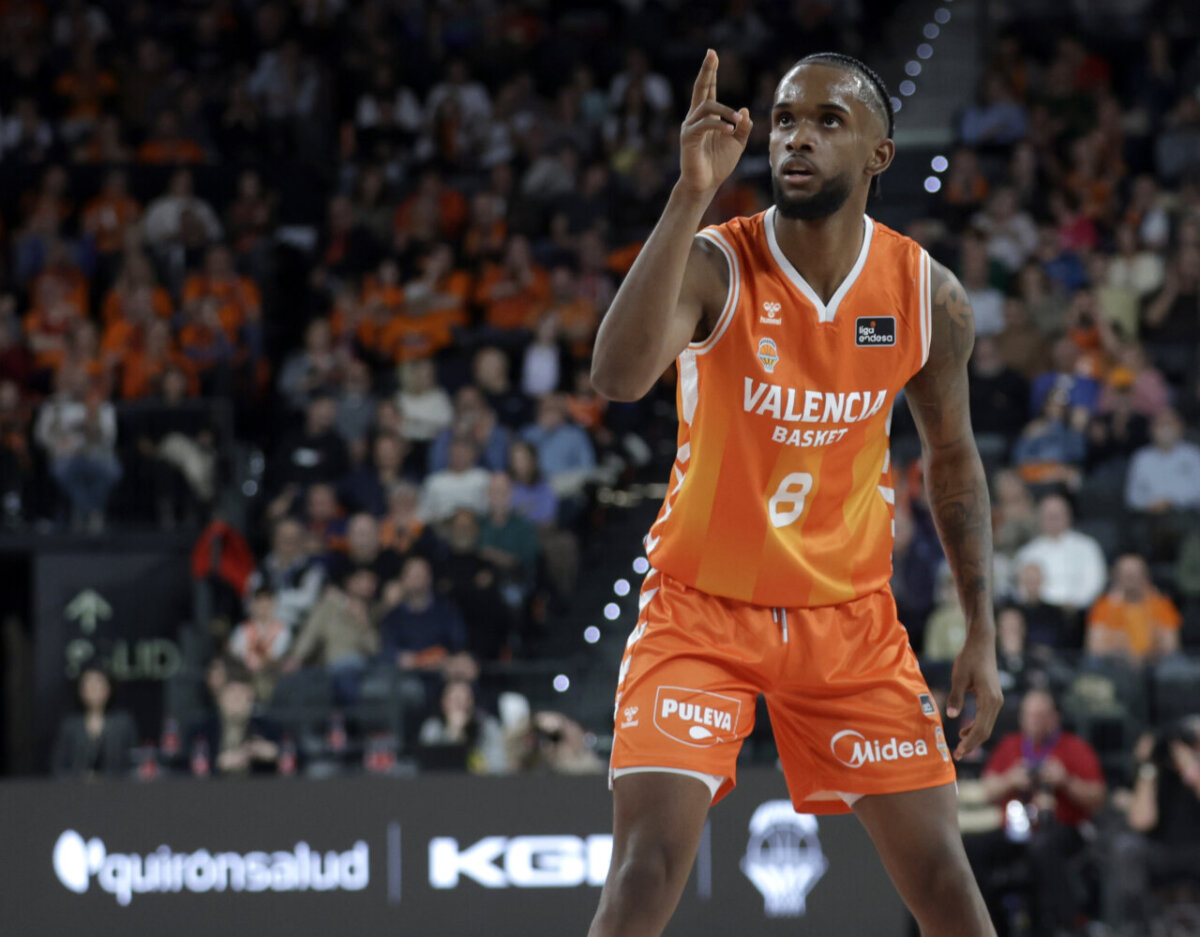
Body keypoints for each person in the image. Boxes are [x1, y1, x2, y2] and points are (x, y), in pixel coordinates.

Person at [586, 51, 1002, 937]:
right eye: (783, 120)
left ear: (879, 154)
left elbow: (953, 458)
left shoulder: (928, 296)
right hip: (700, 611)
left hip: (848, 619)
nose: (796, 138)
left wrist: (982, 628)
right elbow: (616, 377)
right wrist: (689, 194)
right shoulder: (717, 262)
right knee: (645, 870)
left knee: (946, 882)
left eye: (826, 121)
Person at [981, 690, 1106, 936]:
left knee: (1043, 846)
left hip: (1063, 829)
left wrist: (1065, 781)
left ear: (1054, 717)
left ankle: (1064, 927)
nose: (1035, 721)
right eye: (1030, 715)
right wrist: (1010, 779)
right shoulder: (1011, 745)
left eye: (1041, 715)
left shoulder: (1074, 746)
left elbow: (1098, 797)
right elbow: (987, 790)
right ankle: (990, 926)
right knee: (973, 847)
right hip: (1017, 829)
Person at [1111, 719, 1200, 931]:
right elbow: (1141, 821)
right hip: (1160, 851)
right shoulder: (1152, 774)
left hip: (1196, 851)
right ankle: (1137, 926)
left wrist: (1190, 767)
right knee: (1127, 847)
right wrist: (1148, 766)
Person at [1086, 554, 1181, 664]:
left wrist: (1151, 650)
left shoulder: (1162, 604)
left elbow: (1172, 646)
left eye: (1136, 573)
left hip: (1154, 663)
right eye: (1126, 574)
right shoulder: (1104, 605)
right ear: (1116, 577)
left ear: (1146, 576)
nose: (1131, 579)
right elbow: (1095, 648)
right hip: (1114, 663)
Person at [51, 667, 137, 779]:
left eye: (99, 684)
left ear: (108, 688)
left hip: (117, 786)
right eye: (89, 685)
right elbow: (58, 767)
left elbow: (134, 765)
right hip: (76, 787)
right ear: (81, 690)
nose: (94, 690)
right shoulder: (69, 725)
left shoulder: (123, 723)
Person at [417, 679, 508, 775]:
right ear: (443, 702)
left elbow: (498, 766)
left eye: (464, 699)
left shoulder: (487, 725)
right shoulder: (432, 727)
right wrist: (453, 732)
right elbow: (429, 766)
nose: (459, 705)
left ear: (472, 702)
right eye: (454, 699)